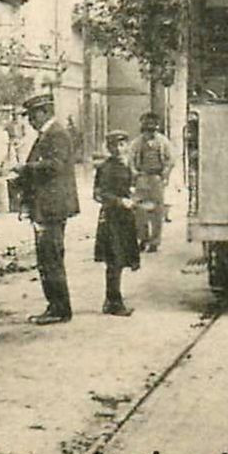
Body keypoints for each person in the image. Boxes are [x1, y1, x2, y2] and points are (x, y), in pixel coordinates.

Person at [14, 90, 79, 325]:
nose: (30, 120)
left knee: (50, 257)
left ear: (44, 112)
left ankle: (59, 309)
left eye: (33, 115)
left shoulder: (57, 134)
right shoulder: (47, 134)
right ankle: (55, 305)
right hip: (46, 205)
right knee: (47, 257)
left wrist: (27, 169)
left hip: (52, 207)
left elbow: (56, 165)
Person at [92, 130, 140, 316]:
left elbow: (131, 186)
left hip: (125, 218)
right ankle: (113, 301)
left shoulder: (127, 165)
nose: (118, 149)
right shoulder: (106, 168)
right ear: (109, 148)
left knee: (120, 259)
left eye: (121, 145)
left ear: (127, 146)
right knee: (114, 260)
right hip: (112, 218)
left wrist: (134, 196)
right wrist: (120, 201)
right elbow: (99, 194)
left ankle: (112, 300)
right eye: (114, 145)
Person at [127, 112, 175, 253]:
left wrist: (165, 174)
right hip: (142, 178)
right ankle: (143, 238)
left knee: (157, 212)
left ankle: (155, 241)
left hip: (156, 179)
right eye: (146, 125)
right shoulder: (137, 142)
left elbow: (170, 159)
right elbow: (130, 159)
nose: (149, 128)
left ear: (156, 126)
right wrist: (135, 173)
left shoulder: (163, 141)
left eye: (152, 125)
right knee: (139, 211)